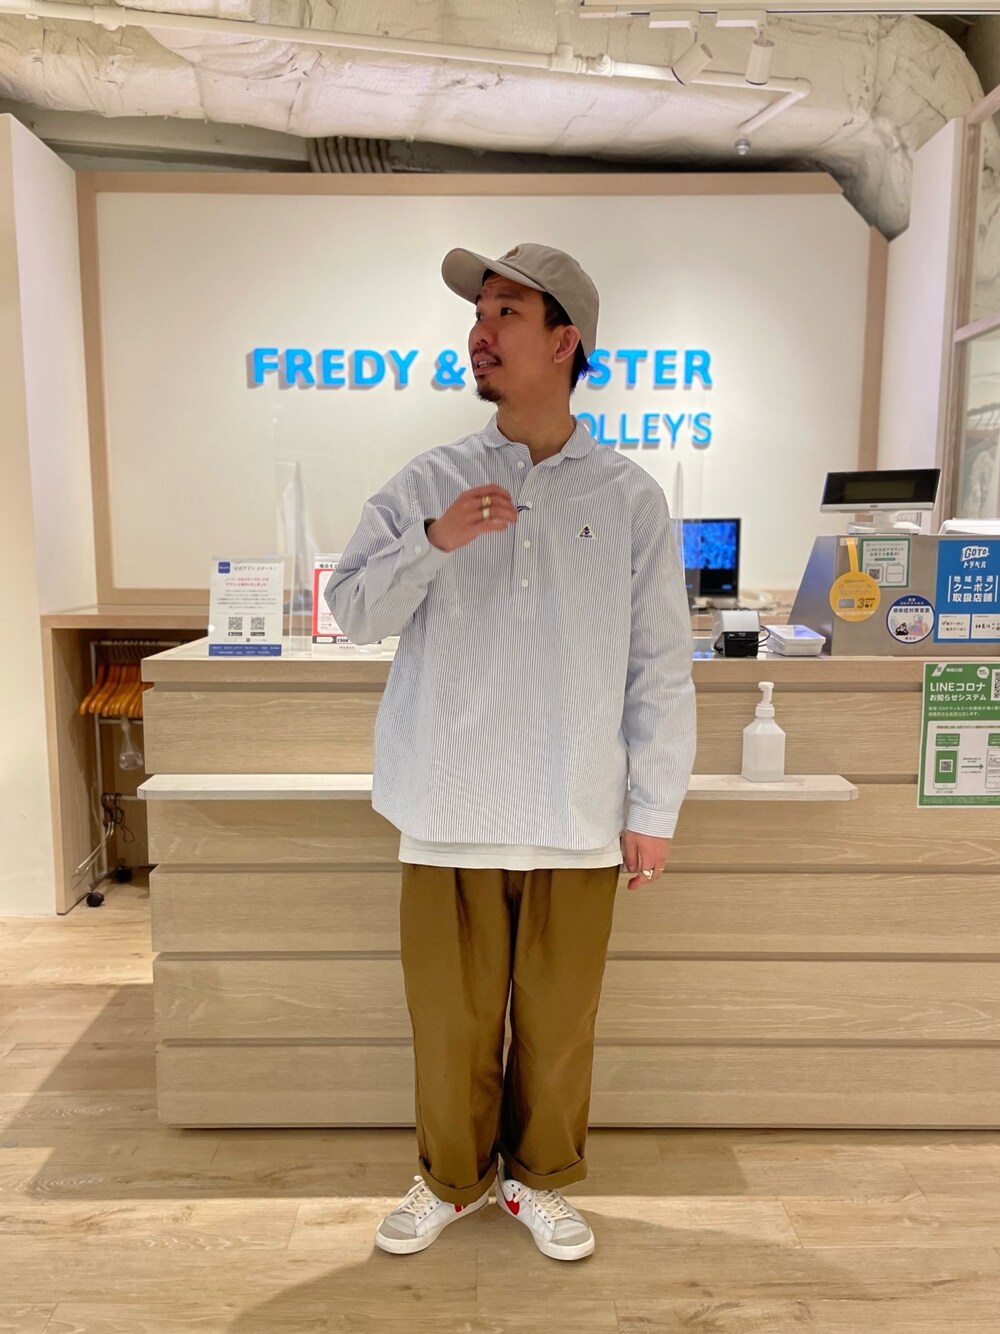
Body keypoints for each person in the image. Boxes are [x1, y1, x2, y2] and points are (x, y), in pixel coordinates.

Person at [325, 242, 696, 1262]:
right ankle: (451, 1181)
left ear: (564, 340)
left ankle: (538, 1183)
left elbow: (660, 664)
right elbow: (350, 609)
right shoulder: (431, 479)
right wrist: (431, 541)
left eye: (505, 312)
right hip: (447, 803)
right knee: (449, 1021)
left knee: (559, 1023)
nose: (478, 333)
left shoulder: (628, 496)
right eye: (478, 312)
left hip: (576, 809)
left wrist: (653, 809)